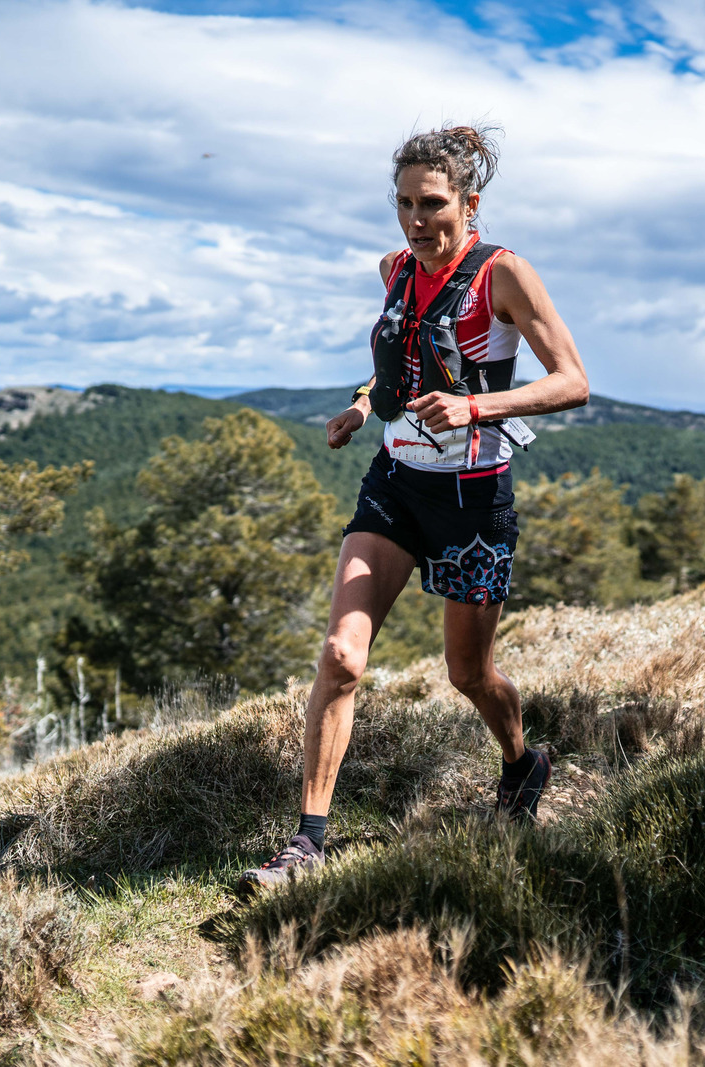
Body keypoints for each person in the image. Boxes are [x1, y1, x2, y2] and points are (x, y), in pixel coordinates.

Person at [238, 125, 590, 891]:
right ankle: (307, 843)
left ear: (469, 204)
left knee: (469, 673)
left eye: (431, 204)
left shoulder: (504, 275)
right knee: (341, 656)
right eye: (403, 203)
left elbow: (573, 381)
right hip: (395, 484)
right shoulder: (395, 269)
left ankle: (522, 763)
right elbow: (398, 363)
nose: (415, 220)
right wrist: (363, 405)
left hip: (473, 498)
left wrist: (476, 406)